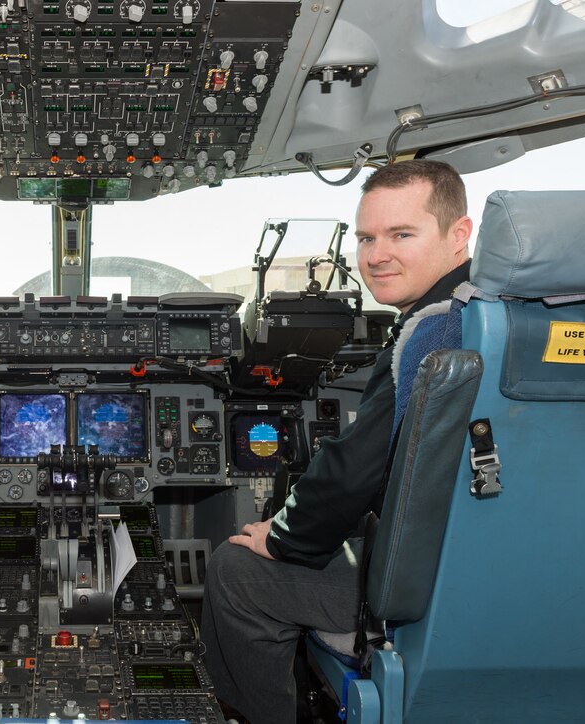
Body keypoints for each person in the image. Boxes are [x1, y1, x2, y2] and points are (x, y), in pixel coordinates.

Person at [201, 159, 473, 723]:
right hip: (500, 565)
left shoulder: (433, 332)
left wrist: (280, 539)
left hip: (432, 587)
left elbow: (352, 473)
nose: (377, 255)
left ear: (459, 235)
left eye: (402, 234)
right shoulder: (517, 320)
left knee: (236, 569)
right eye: (368, 238)